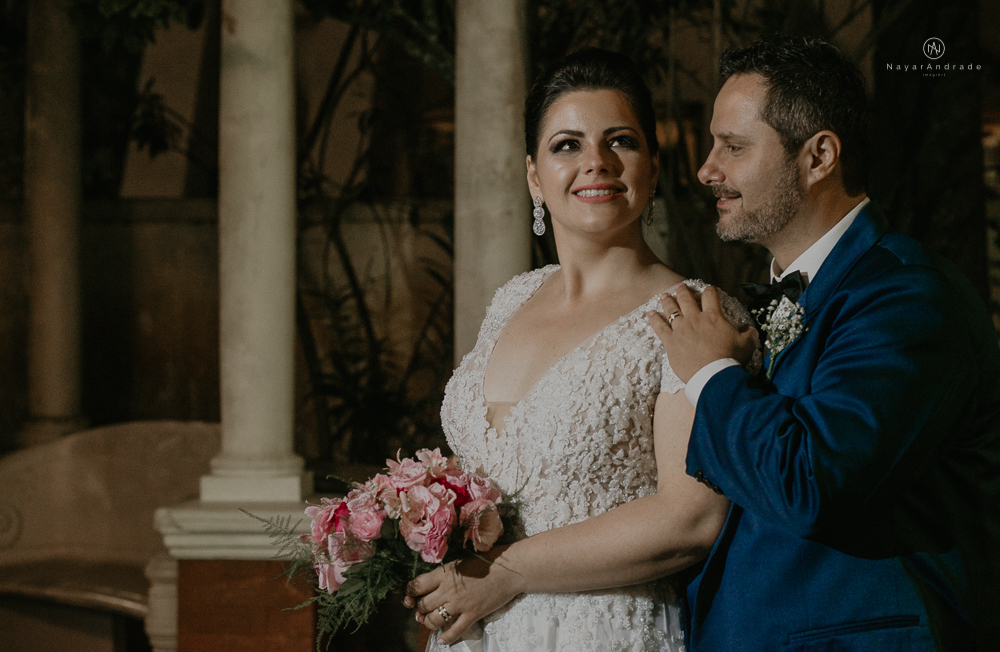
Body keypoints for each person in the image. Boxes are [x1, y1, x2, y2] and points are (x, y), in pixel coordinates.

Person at [650, 35, 1000, 650]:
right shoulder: (767, 299)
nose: (707, 169)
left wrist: (712, 375)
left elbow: (812, 483)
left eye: (733, 147)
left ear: (818, 157)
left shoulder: (909, 299)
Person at [403, 48, 757, 651]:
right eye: (566, 145)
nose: (596, 162)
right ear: (534, 176)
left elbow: (690, 520)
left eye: (620, 141)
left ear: (651, 166)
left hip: (602, 630)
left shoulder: (694, 314)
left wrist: (505, 574)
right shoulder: (511, 298)